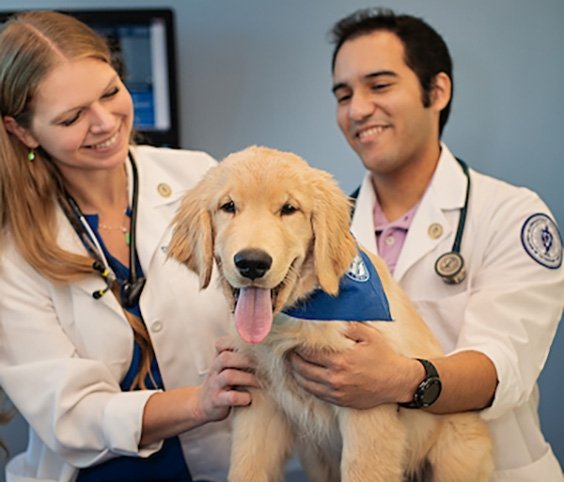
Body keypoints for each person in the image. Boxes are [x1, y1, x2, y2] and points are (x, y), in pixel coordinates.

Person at [289, 7, 564, 481]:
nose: (357, 110)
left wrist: (397, 380)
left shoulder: (512, 214)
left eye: (379, 86)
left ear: (436, 91)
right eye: (343, 94)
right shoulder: (317, 229)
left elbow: (502, 365)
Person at [0, 11, 258, 482]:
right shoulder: (13, 252)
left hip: (226, 466)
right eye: (72, 116)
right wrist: (201, 402)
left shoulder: (200, 178)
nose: (104, 123)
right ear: (24, 132)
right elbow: (71, 416)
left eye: (110, 92)